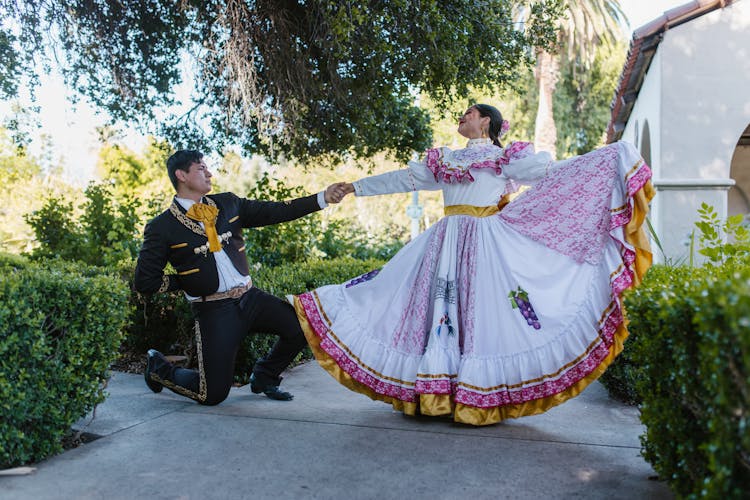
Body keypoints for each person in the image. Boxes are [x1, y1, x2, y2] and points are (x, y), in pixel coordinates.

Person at [293, 104, 654, 426]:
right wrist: (355, 186)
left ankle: (474, 394)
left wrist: (607, 159)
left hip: (485, 242)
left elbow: (553, 172)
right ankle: (436, 394)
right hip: (445, 241)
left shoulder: (504, 159)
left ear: (486, 122)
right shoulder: (446, 159)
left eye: (470, 112)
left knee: (483, 312)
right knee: (424, 306)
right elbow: (404, 179)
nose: (462, 116)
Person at [134, 149, 350, 405]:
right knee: (212, 394)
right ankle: (160, 369)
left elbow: (276, 211)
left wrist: (322, 198)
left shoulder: (228, 203)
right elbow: (145, 282)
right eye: (201, 168)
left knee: (300, 326)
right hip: (213, 310)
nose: (209, 173)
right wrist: (188, 281)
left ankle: (264, 376)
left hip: (250, 298)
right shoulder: (162, 226)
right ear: (181, 175)